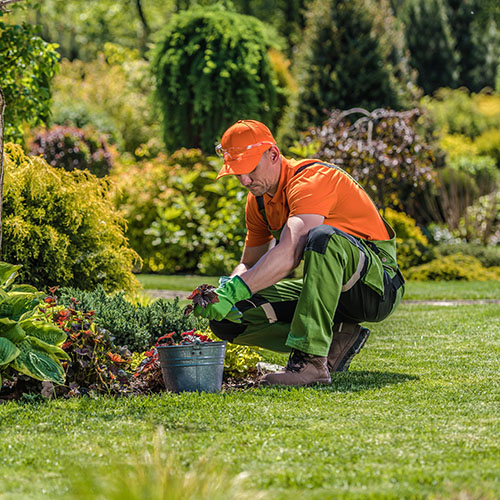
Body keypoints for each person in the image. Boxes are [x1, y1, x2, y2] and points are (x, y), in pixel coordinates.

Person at [193, 119, 405, 386]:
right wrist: (224, 294)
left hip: (376, 287)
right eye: (237, 173)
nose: (245, 180)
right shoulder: (258, 201)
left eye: (250, 169)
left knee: (321, 237)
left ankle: (311, 362)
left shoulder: (310, 181)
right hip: (328, 290)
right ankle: (337, 340)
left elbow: (290, 252)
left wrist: (235, 290)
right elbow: (249, 264)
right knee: (229, 320)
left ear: (272, 154)